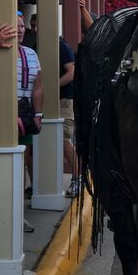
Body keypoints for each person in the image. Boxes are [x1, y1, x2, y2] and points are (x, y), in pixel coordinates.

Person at [0, 13, 42, 231]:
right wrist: (7, 113)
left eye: (22, 26)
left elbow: (38, 87)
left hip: (24, 120)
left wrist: (38, 115)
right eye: (16, 26)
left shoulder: (31, 54)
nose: (21, 30)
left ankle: (16, 216)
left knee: (20, 166)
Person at [59, 36, 79, 197]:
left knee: (64, 140)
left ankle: (78, 179)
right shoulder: (38, 45)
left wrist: (53, 86)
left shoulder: (62, 47)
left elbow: (72, 72)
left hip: (64, 101)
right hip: (48, 101)